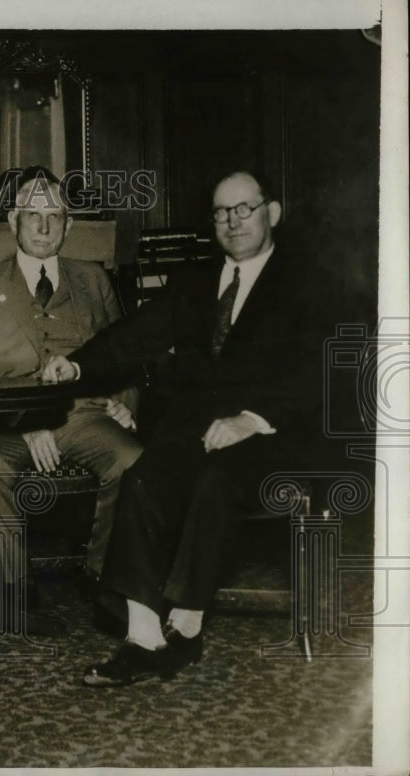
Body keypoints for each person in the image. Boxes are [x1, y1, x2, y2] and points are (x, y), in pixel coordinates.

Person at [42, 170, 324, 685]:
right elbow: (134, 335)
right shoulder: (194, 281)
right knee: (144, 476)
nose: (232, 222)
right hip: (197, 431)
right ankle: (143, 637)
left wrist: (250, 420)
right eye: (221, 212)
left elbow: (319, 371)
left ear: (272, 213)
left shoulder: (306, 283)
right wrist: (77, 365)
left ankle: (187, 628)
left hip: (274, 434)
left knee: (217, 482)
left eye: (244, 209)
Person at [0, 166, 143, 634]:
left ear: (68, 225)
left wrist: (125, 402)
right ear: (14, 220)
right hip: (11, 423)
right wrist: (29, 422)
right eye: (33, 214)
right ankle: (14, 590)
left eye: (55, 215)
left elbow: (124, 355)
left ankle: (106, 580)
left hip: (85, 416)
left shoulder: (94, 281)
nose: (44, 226)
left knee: (132, 460)